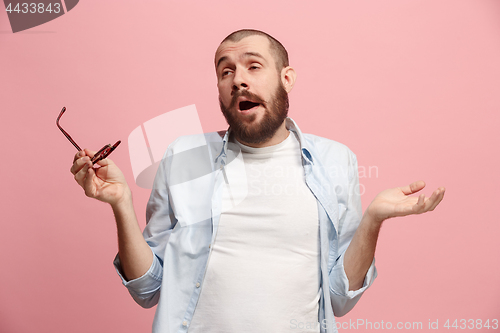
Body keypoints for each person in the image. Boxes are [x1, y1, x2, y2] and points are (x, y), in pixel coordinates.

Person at [70, 29, 445, 333]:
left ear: (286, 78)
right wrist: (120, 204)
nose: (239, 81)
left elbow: (339, 299)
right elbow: (148, 289)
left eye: (253, 66)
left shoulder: (336, 160)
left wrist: (373, 220)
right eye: (226, 71)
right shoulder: (183, 156)